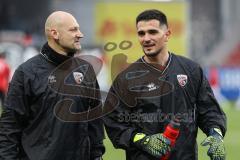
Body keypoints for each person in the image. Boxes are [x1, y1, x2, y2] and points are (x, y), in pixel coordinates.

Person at [103, 9, 226, 160]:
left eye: (152, 32)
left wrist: (216, 134)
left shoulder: (191, 70)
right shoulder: (126, 79)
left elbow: (209, 111)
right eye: (141, 33)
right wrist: (143, 140)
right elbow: (113, 121)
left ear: (167, 34)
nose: (146, 38)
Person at [0, 11, 105, 160]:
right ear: (55, 33)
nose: (80, 34)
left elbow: (95, 120)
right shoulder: (26, 73)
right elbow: (10, 126)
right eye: (73, 29)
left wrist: (97, 155)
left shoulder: (86, 70)